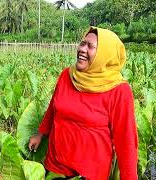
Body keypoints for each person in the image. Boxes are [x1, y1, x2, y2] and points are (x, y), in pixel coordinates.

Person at [29, 27, 138, 179]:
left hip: (90, 173)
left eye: (90, 46)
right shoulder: (67, 75)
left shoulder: (118, 90)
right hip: (55, 166)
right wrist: (40, 135)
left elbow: (126, 143)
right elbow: (53, 109)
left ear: (104, 55)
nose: (82, 49)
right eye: (82, 43)